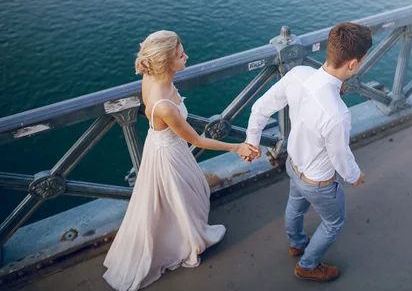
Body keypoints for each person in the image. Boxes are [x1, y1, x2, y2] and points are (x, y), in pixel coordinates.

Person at [103, 30, 258, 291]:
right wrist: (237, 147)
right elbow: (197, 140)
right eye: (180, 54)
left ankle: (178, 234)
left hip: (159, 144)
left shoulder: (151, 77)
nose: (186, 56)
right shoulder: (165, 106)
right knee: (180, 196)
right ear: (165, 63)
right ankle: (187, 242)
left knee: (170, 199)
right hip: (169, 152)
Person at [245, 22, 372, 282]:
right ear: (352, 64)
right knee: (334, 222)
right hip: (319, 182)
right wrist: (355, 176)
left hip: (294, 166)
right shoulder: (337, 115)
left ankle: (297, 243)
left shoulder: (298, 74)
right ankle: (308, 264)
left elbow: (259, 108)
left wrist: (252, 141)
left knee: (296, 205)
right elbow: (340, 158)